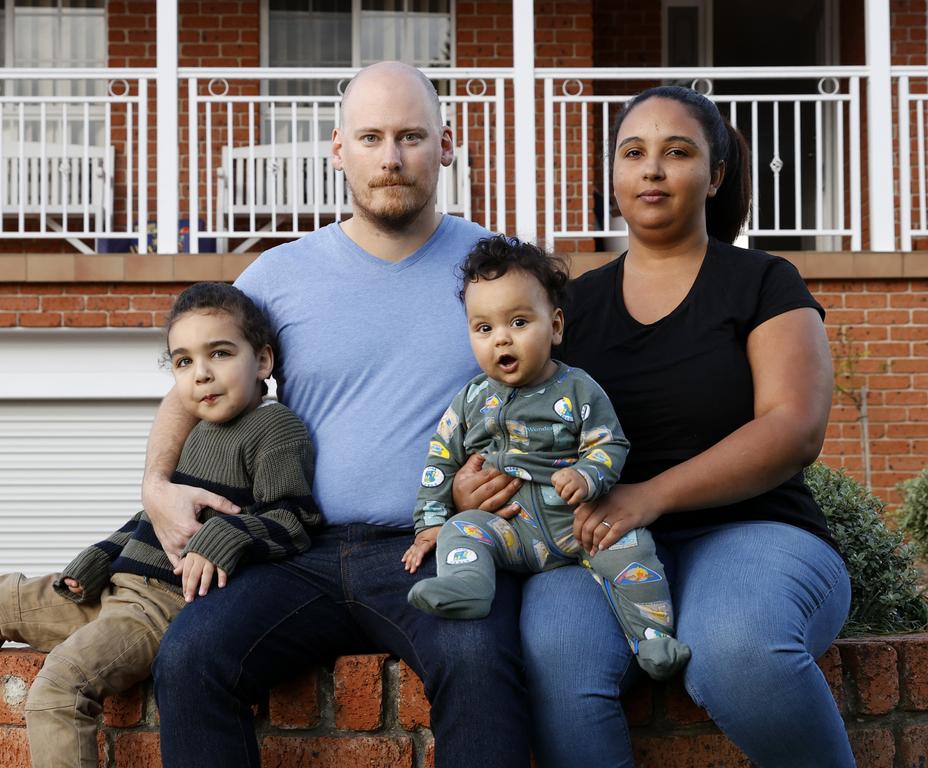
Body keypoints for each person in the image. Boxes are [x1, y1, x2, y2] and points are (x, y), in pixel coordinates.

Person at [144, 62, 531, 768]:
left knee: (480, 659)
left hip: (432, 547)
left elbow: (549, 392)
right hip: (299, 551)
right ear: (337, 149)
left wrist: (504, 477)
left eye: (411, 136)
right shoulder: (276, 276)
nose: (391, 158)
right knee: (192, 655)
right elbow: (191, 383)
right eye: (372, 137)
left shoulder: (497, 273)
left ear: (446, 144)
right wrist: (155, 486)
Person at [456, 85, 853, 767]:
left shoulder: (763, 281)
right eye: (633, 152)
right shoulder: (568, 308)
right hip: (593, 544)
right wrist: (471, 493)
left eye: (678, 152)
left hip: (756, 530)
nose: (652, 169)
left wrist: (650, 494)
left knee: (736, 652)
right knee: (558, 653)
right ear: (612, 174)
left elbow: (795, 428)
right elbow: (516, 426)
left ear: (715, 174)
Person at [0, 282, 320, 767]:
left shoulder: (276, 429)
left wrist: (227, 536)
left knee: (59, 688)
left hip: (158, 609)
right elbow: (154, 518)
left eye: (220, 354)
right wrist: (102, 555)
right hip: (110, 593)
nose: (201, 375)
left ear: (263, 361)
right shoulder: (195, 428)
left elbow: (295, 520)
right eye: (183, 361)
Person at [403, 234, 689, 681]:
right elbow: (440, 461)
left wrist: (589, 474)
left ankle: (653, 639)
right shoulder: (471, 399)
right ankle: (467, 587)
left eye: (518, 322)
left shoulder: (578, 389)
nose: (502, 340)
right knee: (463, 531)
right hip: (510, 529)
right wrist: (432, 523)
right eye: (484, 328)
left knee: (633, 548)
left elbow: (610, 443)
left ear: (554, 326)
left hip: (579, 524)